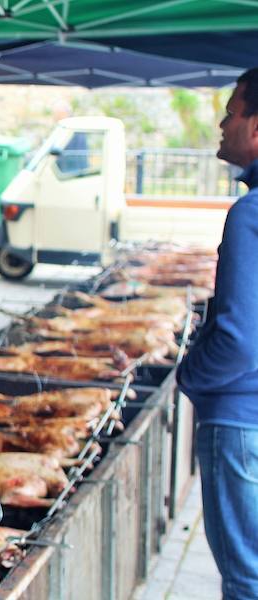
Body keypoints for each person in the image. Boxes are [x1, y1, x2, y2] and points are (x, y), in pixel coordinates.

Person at [177, 67, 258, 600]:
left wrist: (189, 376)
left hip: (239, 423)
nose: (222, 123)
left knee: (248, 577)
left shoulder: (251, 214)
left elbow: (240, 339)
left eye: (232, 111)